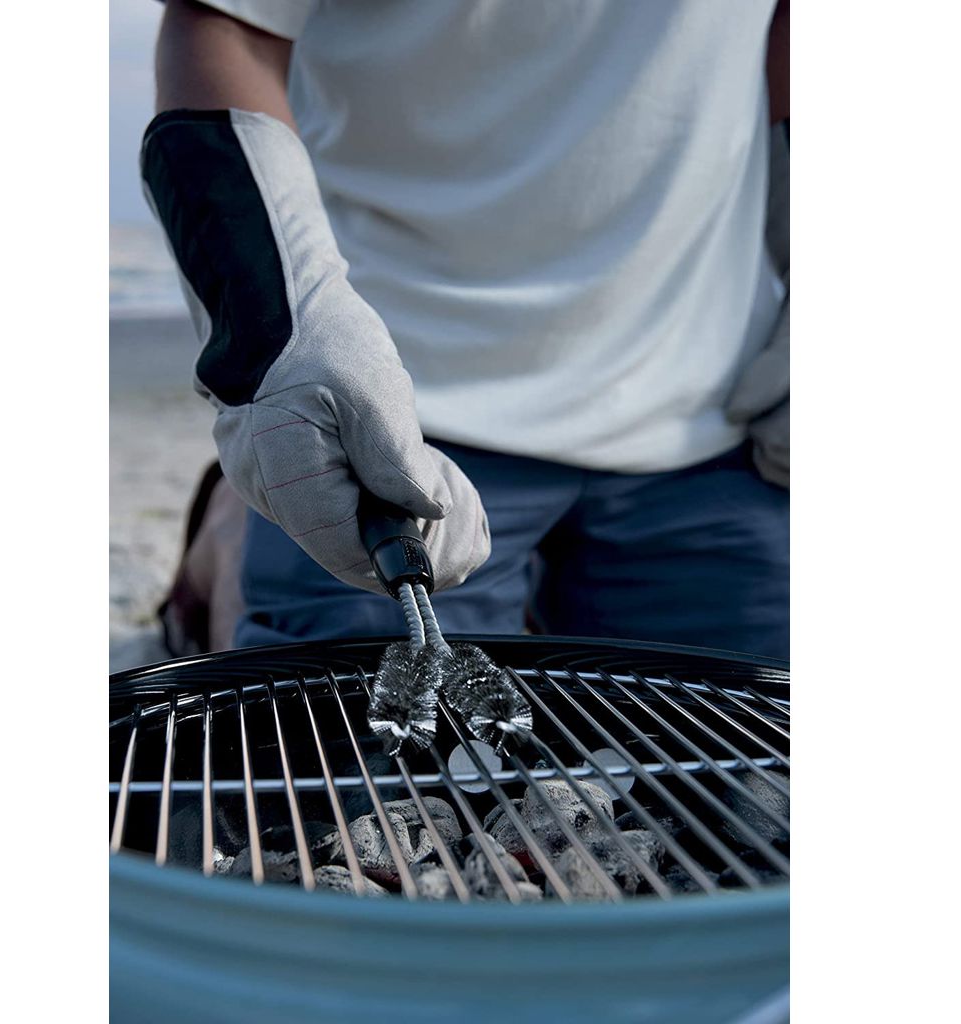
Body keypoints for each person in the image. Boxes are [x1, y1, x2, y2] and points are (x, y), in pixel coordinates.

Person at [142, 0, 790, 660]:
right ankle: (221, 545)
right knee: (355, 727)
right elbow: (225, 26)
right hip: (387, 428)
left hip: (710, 418)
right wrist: (277, 331)